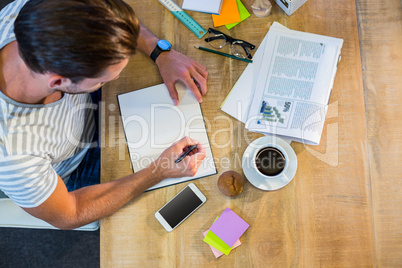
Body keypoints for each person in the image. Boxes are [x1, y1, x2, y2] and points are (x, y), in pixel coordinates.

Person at [0, 0, 207, 229]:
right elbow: (70, 213)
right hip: (77, 167)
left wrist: (158, 52)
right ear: (58, 81)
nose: (114, 79)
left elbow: (108, 19)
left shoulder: (39, 9)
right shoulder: (13, 155)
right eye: (104, 80)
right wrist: (158, 171)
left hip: (86, 112)